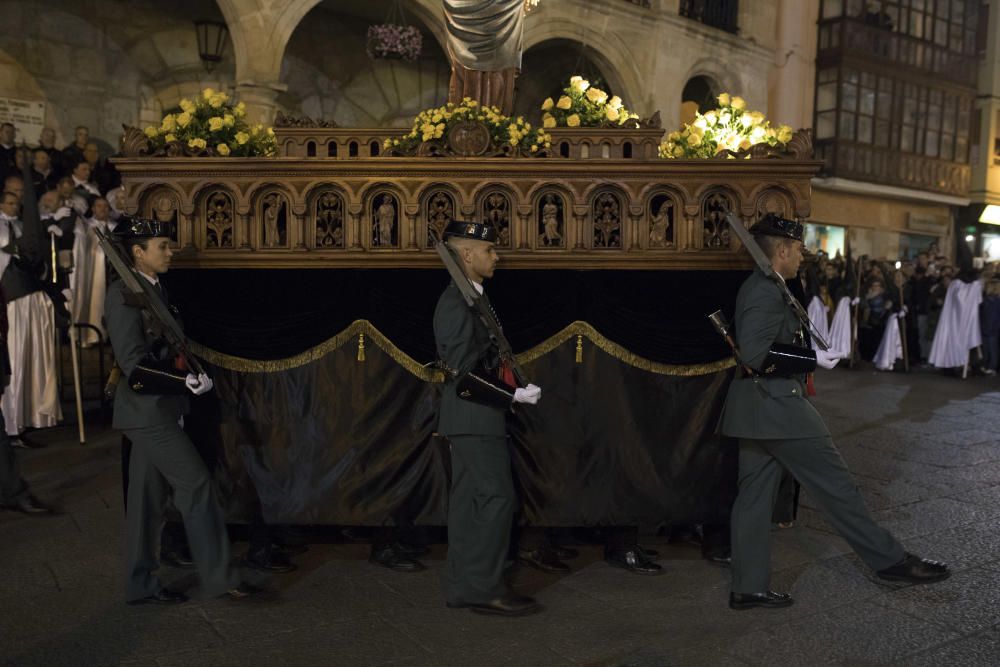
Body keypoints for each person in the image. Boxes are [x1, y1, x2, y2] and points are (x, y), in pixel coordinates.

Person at [718, 213, 949, 611]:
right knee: (840, 489)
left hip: (759, 408)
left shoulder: (772, 285)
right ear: (784, 250)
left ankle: (749, 586)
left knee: (753, 499)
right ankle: (889, 560)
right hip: (779, 407)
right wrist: (810, 358)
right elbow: (755, 354)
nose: (802, 258)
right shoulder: (764, 290)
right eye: (798, 251)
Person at [105, 216, 267, 605]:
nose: (170, 250)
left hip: (162, 407)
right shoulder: (123, 293)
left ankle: (139, 585)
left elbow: (171, 344)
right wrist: (183, 383)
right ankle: (219, 577)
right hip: (146, 413)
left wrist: (192, 376)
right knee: (196, 485)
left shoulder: (156, 288)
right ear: (137, 253)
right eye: (162, 245)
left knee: (145, 504)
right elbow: (131, 363)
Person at [434, 219, 542, 617]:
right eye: (489, 250)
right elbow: (464, 376)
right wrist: (512, 393)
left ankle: (465, 586)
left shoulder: (473, 297)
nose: (496, 256)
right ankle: (484, 588)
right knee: (495, 499)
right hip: (474, 417)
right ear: (466, 254)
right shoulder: (456, 301)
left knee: (470, 504)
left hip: (473, 418)